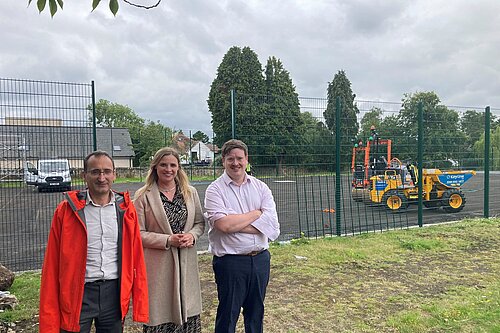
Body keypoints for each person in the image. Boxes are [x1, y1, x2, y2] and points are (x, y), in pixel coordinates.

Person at [39, 151, 149, 333]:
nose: (102, 177)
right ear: (84, 175)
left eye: (107, 171)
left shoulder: (126, 209)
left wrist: (138, 295)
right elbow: (52, 263)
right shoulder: (66, 211)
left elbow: (136, 255)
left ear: (114, 174)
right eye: (95, 172)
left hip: (113, 293)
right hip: (78, 293)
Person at [204, 139, 280, 333]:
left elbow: (273, 228)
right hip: (230, 263)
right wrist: (256, 215)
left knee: (256, 315)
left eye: (239, 158)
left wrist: (235, 222)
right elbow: (223, 225)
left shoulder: (261, 187)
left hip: (260, 260)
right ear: (223, 161)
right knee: (227, 316)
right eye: (231, 159)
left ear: (247, 160)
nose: (235, 163)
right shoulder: (215, 190)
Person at [133, 147, 205, 333]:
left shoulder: (190, 193)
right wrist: (167, 240)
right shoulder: (143, 196)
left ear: (179, 168)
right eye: (163, 165)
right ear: (155, 167)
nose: (168, 169)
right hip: (158, 267)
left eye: (173, 165)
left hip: (186, 263)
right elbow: (137, 233)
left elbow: (199, 223)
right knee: (160, 314)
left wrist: (192, 236)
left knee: (188, 312)